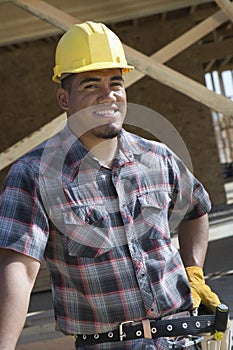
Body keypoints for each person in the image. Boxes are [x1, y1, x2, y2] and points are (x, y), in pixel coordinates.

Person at [0, 21, 224, 350]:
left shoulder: (156, 157)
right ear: (64, 98)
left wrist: (194, 272)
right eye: (91, 85)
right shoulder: (34, 174)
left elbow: (196, 209)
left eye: (115, 83)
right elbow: (19, 267)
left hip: (183, 338)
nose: (108, 95)